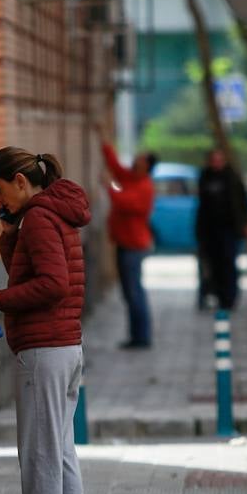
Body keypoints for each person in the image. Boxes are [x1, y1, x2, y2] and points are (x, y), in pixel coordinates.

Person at [0, 148, 90, 494]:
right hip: (63, 347)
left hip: (45, 349)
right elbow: (30, 271)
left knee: (41, 456)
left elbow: (51, 285)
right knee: (61, 454)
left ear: (21, 183)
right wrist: (9, 236)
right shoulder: (48, 215)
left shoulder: (41, 218)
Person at [94, 126, 157, 349]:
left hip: (134, 246)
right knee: (130, 292)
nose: (134, 162)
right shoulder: (132, 178)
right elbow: (116, 167)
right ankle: (137, 335)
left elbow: (125, 202)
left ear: (147, 166)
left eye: (139, 160)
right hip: (125, 243)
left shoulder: (144, 186)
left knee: (134, 291)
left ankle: (142, 336)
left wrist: (108, 186)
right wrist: (104, 142)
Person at [195, 149, 247, 310]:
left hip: (229, 229)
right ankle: (215, 294)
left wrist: (244, 224)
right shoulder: (205, 177)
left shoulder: (232, 178)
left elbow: (242, 202)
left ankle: (229, 297)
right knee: (212, 264)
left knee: (228, 263)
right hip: (210, 229)